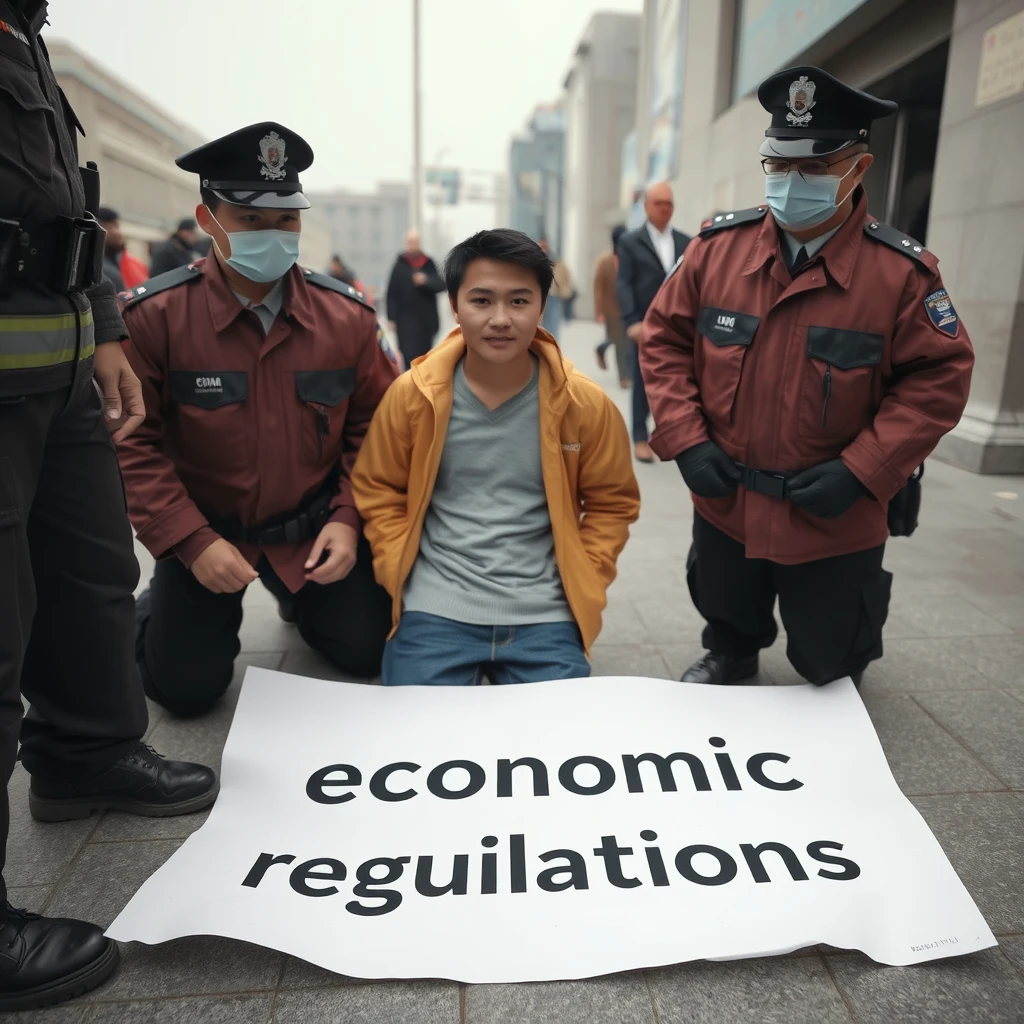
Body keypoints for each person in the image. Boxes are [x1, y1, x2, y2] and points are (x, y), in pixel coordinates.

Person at [0, 2, 218, 1011]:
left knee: (91, 574)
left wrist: (105, 326)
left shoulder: (22, 35)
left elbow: (56, 210)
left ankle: (87, 752)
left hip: (64, 360)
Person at [640, 66, 974, 687]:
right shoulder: (716, 250)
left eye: (815, 169)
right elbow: (663, 340)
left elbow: (939, 378)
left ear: (859, 168)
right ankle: (733, 649)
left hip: (833, 511)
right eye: (778, 165)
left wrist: (862, 470)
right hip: (727, 496)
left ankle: (835, 653)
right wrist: (684, 438)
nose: (791, 184)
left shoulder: (902, 276)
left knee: (830, 661)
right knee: (726, 607)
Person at [117, 122, 397, 718]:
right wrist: (189, 543)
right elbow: (132, 444)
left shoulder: (345, 318)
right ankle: (156, 606)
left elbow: (374, 428)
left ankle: (302, 602)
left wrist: (348, 520)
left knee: (368, 649)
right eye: (250, 221)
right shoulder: (156, 318)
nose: (273, 235)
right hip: (209, 535)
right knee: (184, 691)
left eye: (286, 219)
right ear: (208, 219)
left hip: (313, 532)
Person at [352, 229, 641, 686]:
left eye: (519, 302)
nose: (500, 319)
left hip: (547, 611)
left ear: (543, 307)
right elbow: (377, 485)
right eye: (482, 301)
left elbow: (612, 502)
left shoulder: (584, 403)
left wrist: (585, 578)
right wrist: (397, 570)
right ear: (454, 305)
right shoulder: (414, 396)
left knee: (563, 748)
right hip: (435, 607)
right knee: (416, 742)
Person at [616, 183, 690, 463]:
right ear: (646, 206)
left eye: (669, 203)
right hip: (643, 325)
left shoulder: (687, 242)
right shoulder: (630, 242)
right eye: (659, 203)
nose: (664, 209)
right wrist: (631, 321)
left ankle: (669, 434)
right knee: (642, 381)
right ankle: (638, 437)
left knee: (677, 381)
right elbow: (624, 284)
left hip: (677, 326)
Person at [385, 229, 446, 364]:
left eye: (415, 242)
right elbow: (391, 293)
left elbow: (441, 285)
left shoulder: (428, 263)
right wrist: (391, 318)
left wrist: (426, 281)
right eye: (410, 242)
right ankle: (409, 384)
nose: (412, 245)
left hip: (425, 322)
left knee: (424, 358)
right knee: (408, 358)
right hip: (405, 322)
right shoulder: (399, 266)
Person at [593, 224, 630, 388]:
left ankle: (601, 348)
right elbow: (598, 288)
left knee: (622, 341)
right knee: (621, 343)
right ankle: (624, 378)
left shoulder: (630, 259)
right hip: (611, 310)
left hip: (628, 308)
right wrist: (599, 312)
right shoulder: (605, 261)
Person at [97, 207, 148, 290]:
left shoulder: (136, 264)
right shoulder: (94, 266)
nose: (117, 232)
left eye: (117, 226)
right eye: (110, 226)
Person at [537, 237, 573, 340]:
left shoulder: (558, 262)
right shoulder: (535, 260)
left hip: (554, 295)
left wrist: (566, 291)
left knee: (553, 322)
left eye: (545, 246)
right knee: (540, 322)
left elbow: (567, 278)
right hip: (540, 294)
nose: (544, 248)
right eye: (542, 246)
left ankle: (552, 344)